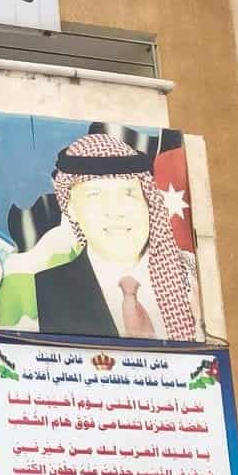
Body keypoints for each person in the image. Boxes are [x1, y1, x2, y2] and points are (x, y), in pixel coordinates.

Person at [34, 133, 198, 340]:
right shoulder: (42, 289)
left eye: (128, 193)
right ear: (71, 209)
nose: (116, 211)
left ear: (148, 201)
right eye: (95, 195)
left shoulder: (190, 278)